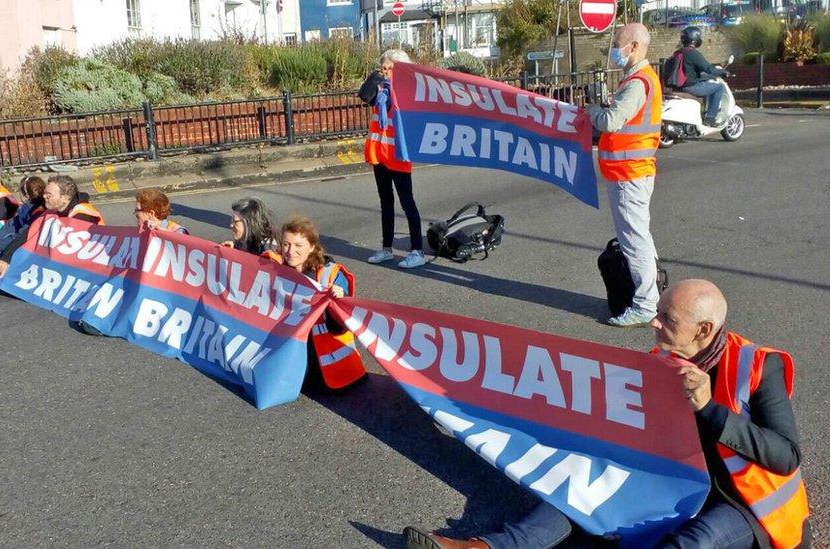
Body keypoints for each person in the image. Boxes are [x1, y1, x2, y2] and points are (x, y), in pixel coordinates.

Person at [403, 279, 811, 549]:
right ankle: (487, 548)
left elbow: (786, 455)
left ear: (703, 331)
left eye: (666, 318)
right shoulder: (661, 359)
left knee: (690, 545)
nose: (653, 322)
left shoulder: (758, 365)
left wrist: (709, 408)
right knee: (573, 488)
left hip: (739, 499)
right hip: (671, 476)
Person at [587, 23, 662, 328]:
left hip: (629, 174)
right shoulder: (640, 80)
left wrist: (592, 111)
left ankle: (645, 304)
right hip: (631, 172)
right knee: (638, 237)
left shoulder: (637, 82)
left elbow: (612, 121)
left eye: (618, 43)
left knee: (634, 241)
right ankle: (650, 292)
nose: (614, 49)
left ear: (634, 46)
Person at [77, 189, 186, 335]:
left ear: (151, 214)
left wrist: (165, 238)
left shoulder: (177, 232)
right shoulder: (141, 231)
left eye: (137, 211)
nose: (135, 215)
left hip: (158, 291)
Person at [280, 216, 367, 390]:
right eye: (286, 244)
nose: (290, 251)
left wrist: (340, 299)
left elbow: (341, 327)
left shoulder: (330, 274)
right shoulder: (276, 267)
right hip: (297, 359)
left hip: (331, 362)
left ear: (311, 247)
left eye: (298, 245)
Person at [359, 49, 425, 269]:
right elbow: (364, 95)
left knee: (408, 203)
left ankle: (417, 250)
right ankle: (386, 249)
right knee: (385, 203)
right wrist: (376, 77)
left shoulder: (407, 91)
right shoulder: (378, 91)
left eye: (391, 69)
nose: (386, 73)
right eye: (384, 68)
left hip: (398, 155)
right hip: (380, 155)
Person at [0, 175, 104, 277]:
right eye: (45, 193)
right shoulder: (52, 211)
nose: (44, 196)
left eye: (49, 195)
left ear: (64, 197)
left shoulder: (83, 215)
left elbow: (73, 253)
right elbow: (28, 234)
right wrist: (6, 257)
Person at [677, 26, 730, 127]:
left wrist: (706, 77)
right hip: (690, 86)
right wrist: (723, 72)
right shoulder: (693, 53)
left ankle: (702, 113)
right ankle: (710, 118)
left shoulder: (679, 52)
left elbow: (689, 71)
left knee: (707, 84)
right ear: (695, 39)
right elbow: (708, 68)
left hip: (678, 86)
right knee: (718, 87)